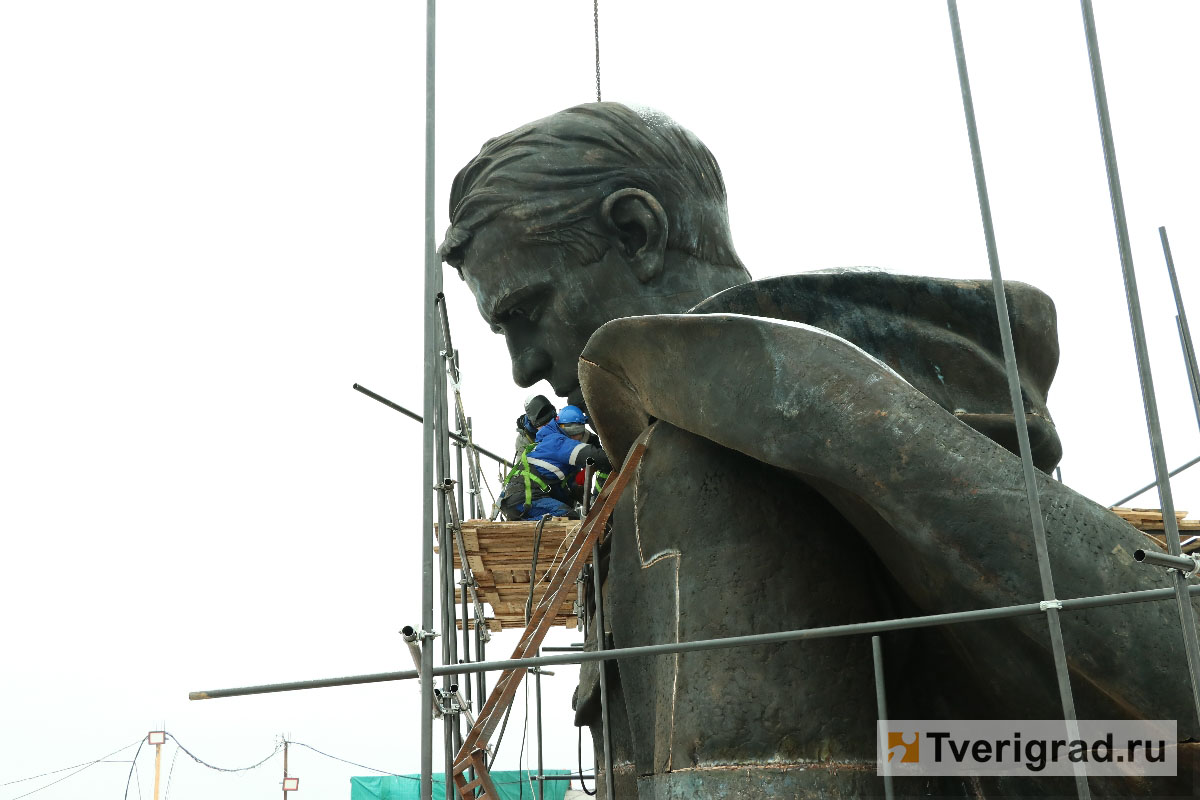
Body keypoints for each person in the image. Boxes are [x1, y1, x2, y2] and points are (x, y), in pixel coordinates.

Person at [440, 103, 1197, 798]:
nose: (524, 366)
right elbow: (932, 749)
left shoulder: (715, 455)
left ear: (637, 231)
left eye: (524, 311)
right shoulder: (822, 423)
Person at [499, 404, 610, 521]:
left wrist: (593, 508)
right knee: (567, 517)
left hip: (526, 498)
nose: (576, 436)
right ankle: (522, 525)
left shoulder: (565, 462)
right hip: (524, 498)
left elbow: (575, 488)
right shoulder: (556, 442)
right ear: (562, 428)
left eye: (579, 431)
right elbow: (593, 455)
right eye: (572, 431)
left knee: (572, 517)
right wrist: (617, 456)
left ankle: (524, 524)